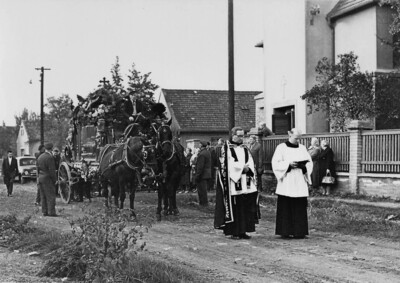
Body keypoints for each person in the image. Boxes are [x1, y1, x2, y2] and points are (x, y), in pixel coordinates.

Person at [214, 126, 259, 240]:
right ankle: (234, 231)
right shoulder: (226, 148)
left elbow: (250, 161)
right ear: (232, 135)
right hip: (233, 183)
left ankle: (243, 230)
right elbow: (227, 164)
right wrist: (241, 168)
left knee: (244, 207)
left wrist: (248, 168)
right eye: (239, 136)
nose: (241, 138)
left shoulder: (245, 148)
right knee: (235, 207)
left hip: (245, 182)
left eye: (243, 136)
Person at [271, 128, 313, 239]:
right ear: (289, 134)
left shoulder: (303, 148)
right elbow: (276, 163)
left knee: (299, 206)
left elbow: (309, 163)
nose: (298, 140)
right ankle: (285, 231)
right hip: (287, 180)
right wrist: (288, 165)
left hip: (299, 180)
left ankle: (299, 232)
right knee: (286, 206)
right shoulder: (281, 148)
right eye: (296, 138)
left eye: (299, 138)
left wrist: (303, 166)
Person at [37, 143, 58, 217]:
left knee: (43, 196)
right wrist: (55, 180)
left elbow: (38, 169)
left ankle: (44, 211)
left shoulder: (40, 157)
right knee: (50, 195)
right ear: (51, 149)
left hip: (41, 177)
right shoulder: (50, 157)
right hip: (47, 178)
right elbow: (52, 170)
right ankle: (51, 212)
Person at [195, 141, 212, 206]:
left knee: (201, 190)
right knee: (204, 189)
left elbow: (200, 166)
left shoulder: (202, 154)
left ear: (201, 145)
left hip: (202, 174)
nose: (199, 145)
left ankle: (203, 203)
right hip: (207, 173)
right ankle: (204, 203)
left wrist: (197, 175)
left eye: (199, 144)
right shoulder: (207, 152)